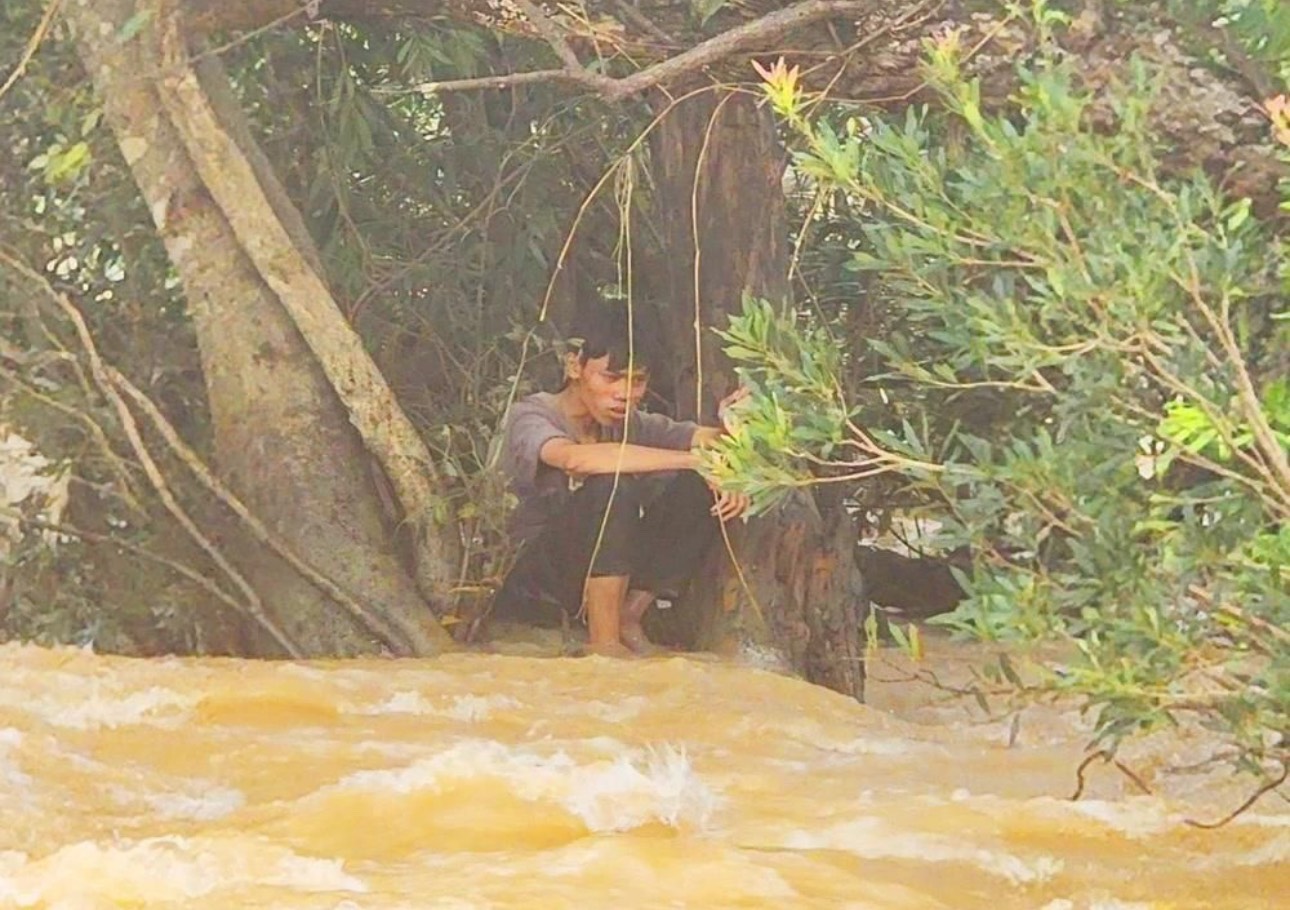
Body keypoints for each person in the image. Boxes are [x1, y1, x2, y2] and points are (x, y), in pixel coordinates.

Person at [491, 309, 750, 657]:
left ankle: (630, 616)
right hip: (534, 581)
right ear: (574, 367)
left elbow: (703, 439)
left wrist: (735, 425)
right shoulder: (532, 414)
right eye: (611, 378)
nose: (624, 393)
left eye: (637, 381)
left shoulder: (628, 422)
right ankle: (605, 643)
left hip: (594, 575)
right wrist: (698, 461)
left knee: (695, 486)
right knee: (612, 484)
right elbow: (576, 459)